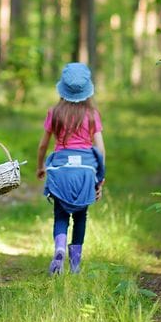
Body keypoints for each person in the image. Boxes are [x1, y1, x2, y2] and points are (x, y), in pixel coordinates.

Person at [35, 62, 106, 275]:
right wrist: (99, 178)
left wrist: (41, 167)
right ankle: (75, 264)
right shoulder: (92, 114)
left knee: (61, 214)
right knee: (81, 216)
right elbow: (100, 149)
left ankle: (59, 247)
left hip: (60, 169)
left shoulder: (54, 112)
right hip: (85, 171)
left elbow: (43, 145)